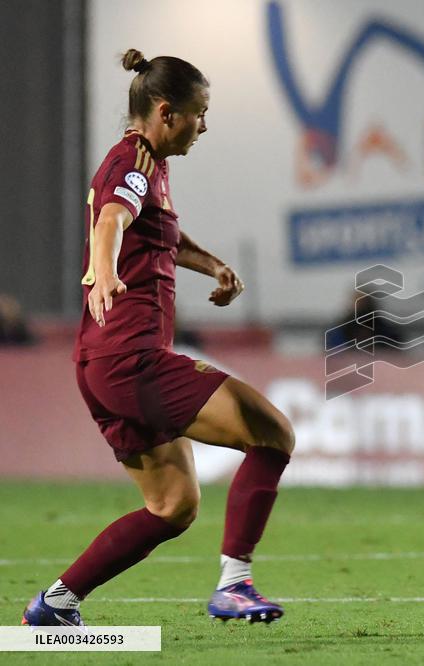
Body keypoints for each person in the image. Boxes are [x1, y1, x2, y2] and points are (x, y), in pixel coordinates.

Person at [21, 49, 295, 627]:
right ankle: (235, 585)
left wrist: (212, 263)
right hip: (131, 359)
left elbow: (155, 230)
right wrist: (105, 271)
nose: (204, 125)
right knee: (273, 434)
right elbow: (111, 222)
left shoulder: (151, 165)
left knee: (172, 507)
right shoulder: (133, 164)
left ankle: (54, 606)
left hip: (104, 363)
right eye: (200, 113)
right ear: (166, 112)